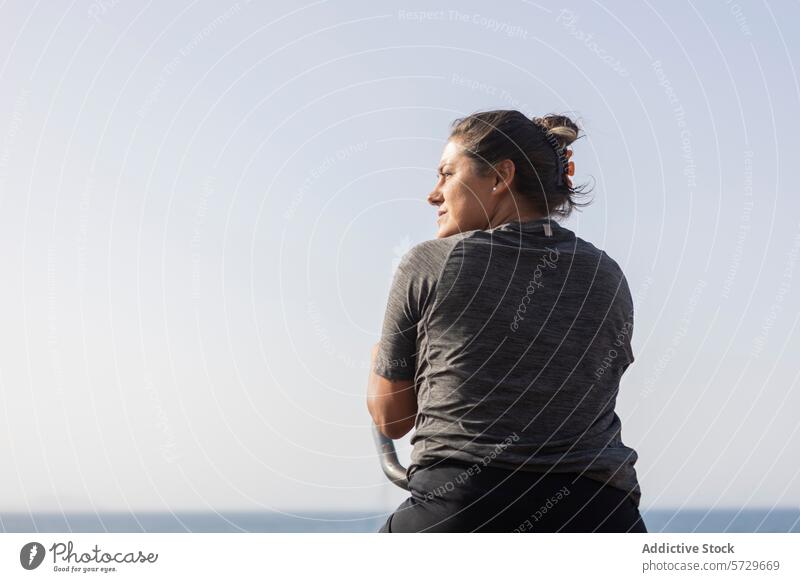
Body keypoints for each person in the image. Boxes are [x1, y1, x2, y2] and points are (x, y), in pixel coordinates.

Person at [367, 109, 646, 533]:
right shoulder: (607, 274)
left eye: (446, 174)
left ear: (500, 177)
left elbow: (393, 419)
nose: (433, 194)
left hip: (463, 510)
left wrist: (378, 362)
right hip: (601, 515)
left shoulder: (431, 263)